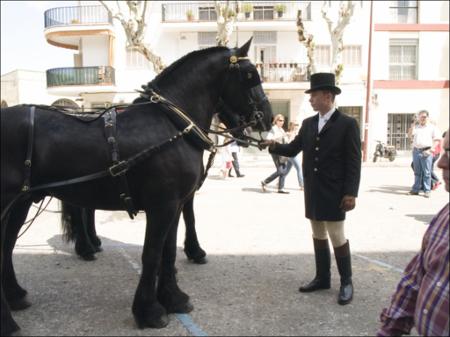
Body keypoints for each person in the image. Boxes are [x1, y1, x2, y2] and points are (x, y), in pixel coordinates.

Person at [261, 73, 361, 305]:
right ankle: (323, 277)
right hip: (314, 190)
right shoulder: (308, 124)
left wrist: (351, 192)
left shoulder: (347, 124)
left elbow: (354, 162)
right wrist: (274, 145)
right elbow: (294, 148)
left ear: (328, 96)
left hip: (336, 191)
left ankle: (346, 281)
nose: (311, 100)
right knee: (317, 233)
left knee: (337, 235)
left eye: (313, 95)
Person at [377, 128, 449, 337]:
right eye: (444, 152)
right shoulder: (444, 216)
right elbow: (415, 279)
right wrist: (389, 330)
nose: (442, 163)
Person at [407, 110, 440, 198]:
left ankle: (427, 190)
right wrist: (412, 126)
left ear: (427, 117)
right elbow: (409, 136)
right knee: (417, 172)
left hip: (426, 151)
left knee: (427, 172)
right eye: (420, 116)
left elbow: (437, 140)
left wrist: (431, 150)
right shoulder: (416, 127)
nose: (422, 118)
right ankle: (415, 190)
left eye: (424, 117)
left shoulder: (432, 127)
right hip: (416, 151)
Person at [261, 114, 291, 194]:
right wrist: (281, 136)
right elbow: (268, 139)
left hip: (282, 151)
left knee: (283, 170)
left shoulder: (281, 129)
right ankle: (265, 182)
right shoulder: (273, 129)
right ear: (276, 121)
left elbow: (285, 140)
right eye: (280, 120)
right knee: (280, 171)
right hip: (275, 151)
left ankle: (281, 188)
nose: (282, 122)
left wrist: (288, 137)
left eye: (283, 120)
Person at [286, 121, 304, 190]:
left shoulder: (295, 133)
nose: (297, 126)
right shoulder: (290, 134)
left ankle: (278, 182)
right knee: (299, 168)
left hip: (291, 154)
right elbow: (288, 143)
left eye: (297, 124)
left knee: (286, 170)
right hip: (291, 154)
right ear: (292, 126)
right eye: (295, 125)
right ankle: (302, 185)